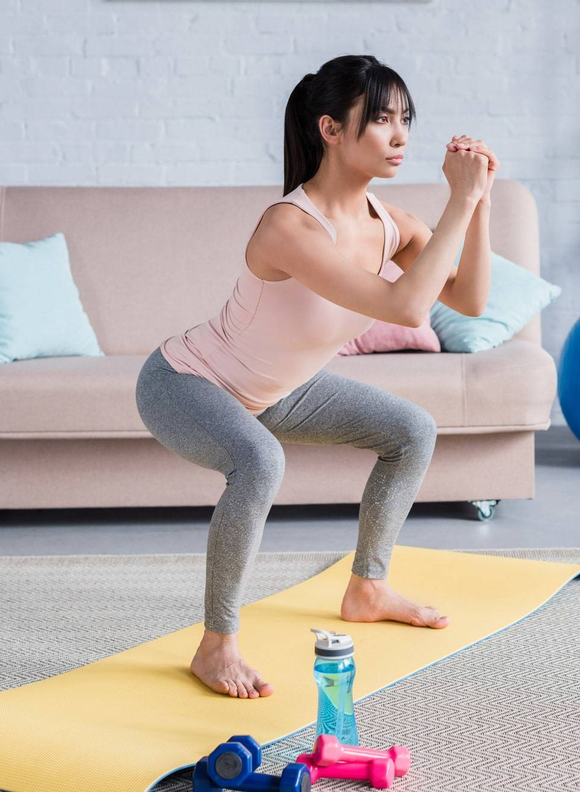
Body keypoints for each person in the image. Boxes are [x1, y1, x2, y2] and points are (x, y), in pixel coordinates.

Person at [134, 54, 498, 700]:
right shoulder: (289, 226)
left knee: (411, 430)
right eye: (381, 119)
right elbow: (406, 307)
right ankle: (216, 644)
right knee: (259, 461)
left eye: (405, 119)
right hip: (188, 382)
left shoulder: (391, 225)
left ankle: (368, 588)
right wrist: (460, 198)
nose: (400, 136)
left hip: (277, 392)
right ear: (330, 129)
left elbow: (469, 299)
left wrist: (480, 201)